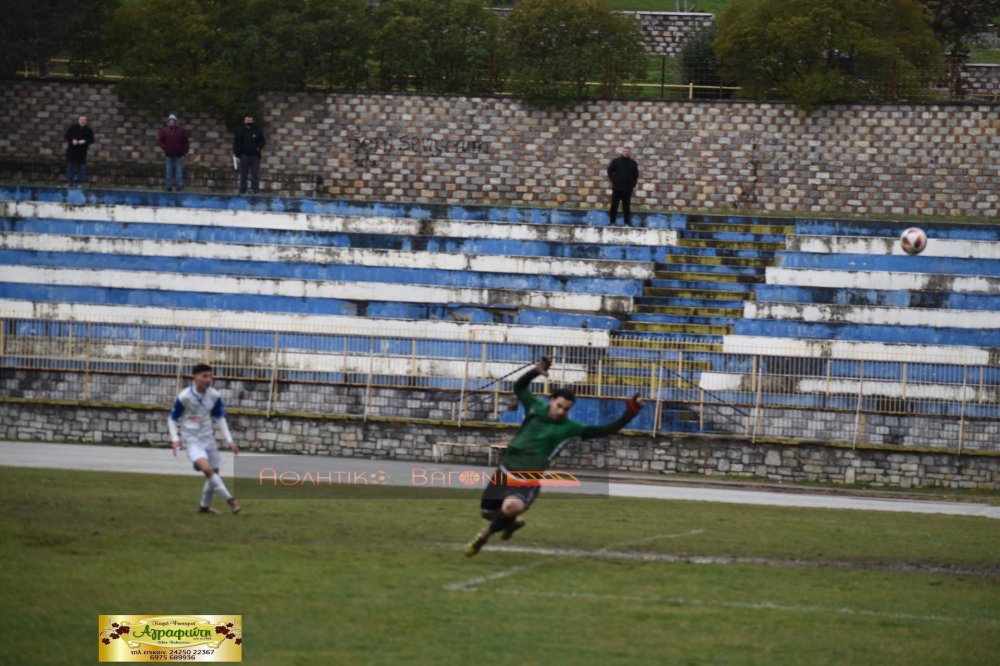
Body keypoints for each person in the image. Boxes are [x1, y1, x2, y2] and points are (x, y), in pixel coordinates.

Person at [465, 357, 645, 556]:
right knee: (488, 513)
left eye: (566, 409)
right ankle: (510, 524)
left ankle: (483, 537)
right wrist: (535, 371)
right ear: (551, 400)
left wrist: (629, 414)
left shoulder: (569, 428)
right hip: (505, 471)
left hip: (528, 479)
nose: (561, 411)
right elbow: (519, 387)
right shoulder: (535, 407)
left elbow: (604, 430)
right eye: (559, 406)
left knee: (510, 506)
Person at [168, 363, 241, 514]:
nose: (209, 379)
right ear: (195, 377)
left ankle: (204, 507)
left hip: (208, 438)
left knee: (213, 474)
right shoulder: (184, 396)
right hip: (192, 439)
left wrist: (230, 441)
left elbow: (220, 418)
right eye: (205, 376)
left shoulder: (214, 395)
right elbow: (172, 418)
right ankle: (230, 500)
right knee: (208, 470)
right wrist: (175, 439)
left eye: (210, 376)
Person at [232, 114, 266, 194]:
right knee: (243, 174)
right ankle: (242, 191)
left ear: (253, 121)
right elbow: (236, 142)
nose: (249, 122)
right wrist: (235, 152)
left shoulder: (257, 130)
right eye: (247, 120)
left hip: (255, 156)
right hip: (244, 155)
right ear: (244, 121)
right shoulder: (240, 131)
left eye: (250, 120)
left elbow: (263, 141)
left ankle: (255, 191)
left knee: (255, 174)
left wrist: (259, 148)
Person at [606, 147, 639, 227]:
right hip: (617, 188)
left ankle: (627, 223)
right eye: (625, 151)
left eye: (628, 151)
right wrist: (614, 180)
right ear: (622, 152)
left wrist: (632, 184)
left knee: (626, 207)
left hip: (628, 189)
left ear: (630, 153)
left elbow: (636, 175)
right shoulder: (616, 161)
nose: (626, 153)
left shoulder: (633, 163)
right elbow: (610, 171)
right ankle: (612, 222)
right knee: (614, 205)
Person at [157, 114, 190, 192]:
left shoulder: (181, 131)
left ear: (176, 122)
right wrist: (165, 148)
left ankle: (179, 187)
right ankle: (168, 187)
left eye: (173, 121)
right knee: (169, 172)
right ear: (168, 122)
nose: (172, 122)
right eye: (170, 121)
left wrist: (184, 151)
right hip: (169, 155)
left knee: (179, 172)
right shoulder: (164, 130)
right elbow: (160, 141)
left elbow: (186, 142)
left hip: (179, 155)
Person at [64, 115, 95, 187]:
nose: (82, 121)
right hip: (72, 151)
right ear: (78, 120)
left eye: (84, 120)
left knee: (82, 168)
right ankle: (70, 183)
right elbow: (67, 136)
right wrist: (72, 140)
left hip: (82, 152)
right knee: (70, 167)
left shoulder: (88, 130)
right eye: (81, 119)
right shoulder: (72, 128)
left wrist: (84, 141)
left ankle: (80, 183)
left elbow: (92, 139)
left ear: (86, 121)